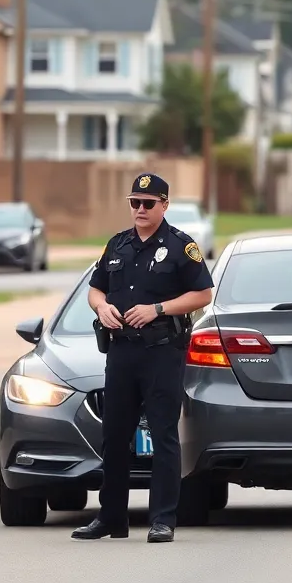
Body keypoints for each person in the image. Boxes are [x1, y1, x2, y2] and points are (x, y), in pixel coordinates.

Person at [72, 173, 215, 544]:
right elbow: (95, 288)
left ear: (164, 205)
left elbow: (203, 294)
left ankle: (163, 519)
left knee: (163, 434)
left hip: (162, 351)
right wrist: (101, 307)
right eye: (134, 202)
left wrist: (158, 309)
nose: (140, 209)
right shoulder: (117, 244)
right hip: (121, 351)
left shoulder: (181, 246)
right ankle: (111, 518)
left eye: (148, 203)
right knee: (114, 435)